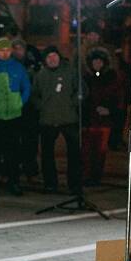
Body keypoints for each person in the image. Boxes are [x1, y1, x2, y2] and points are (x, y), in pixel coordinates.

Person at [0, 37, 31, 197]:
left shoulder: (18, 68)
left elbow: (26, 88)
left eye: (7, 50)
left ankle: (14, 182)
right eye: (2, 50)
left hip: (14, 116)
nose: (5, 53)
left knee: (13, 152)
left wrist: (19, 103)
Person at [31, 46, 81, 195]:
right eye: (49, 57)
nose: (52, 59)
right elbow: (34, 95)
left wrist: (73, 103)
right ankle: (50, 183)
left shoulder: (70, 72)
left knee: (74, 154)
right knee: (47, 155)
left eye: (54, 56)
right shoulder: (40, 75)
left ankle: (74, 183)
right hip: (47, 120)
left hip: (69, 119)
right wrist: (41, 106)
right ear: (45, 60)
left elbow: (82, 90)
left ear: (59, 57)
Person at [82, 47, 122, 187]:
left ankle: (96, 176)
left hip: (103, 121)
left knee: (100, 151)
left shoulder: (111, 78)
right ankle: (86, 175)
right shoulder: (86, 78)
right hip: (88, 120)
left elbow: (118, 99)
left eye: (100, 61)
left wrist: (109, 110)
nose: (97, 64)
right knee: (86, 150)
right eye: (95, 61)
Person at [11, 38, 41, 180]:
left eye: (20, 48)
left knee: (30, 138)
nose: (18, 51)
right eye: (15, 48)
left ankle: (30, 165)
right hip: (14, 107)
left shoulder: (32, 65)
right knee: (15, 139)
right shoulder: (10, 65)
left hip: (30, 107)